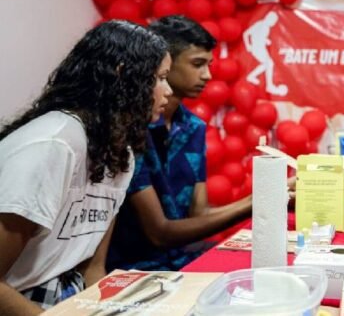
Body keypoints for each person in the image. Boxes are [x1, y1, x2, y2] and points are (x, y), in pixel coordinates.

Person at [0, 21, 171, 313]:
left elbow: (92, 269)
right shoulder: (55, 144)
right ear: (122, 74)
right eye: (160, 78)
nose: (167, 91)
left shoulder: (120, 154)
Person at [107, 16, 251, 272]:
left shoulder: (193, 127)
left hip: (183, 261)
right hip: (133, 271)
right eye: (197, 64)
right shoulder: (128, 130)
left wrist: (270, 196)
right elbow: (159, 233)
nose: (207, 75)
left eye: (209, 65)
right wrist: (262, 201)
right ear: (165, 63)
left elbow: (199, 216)